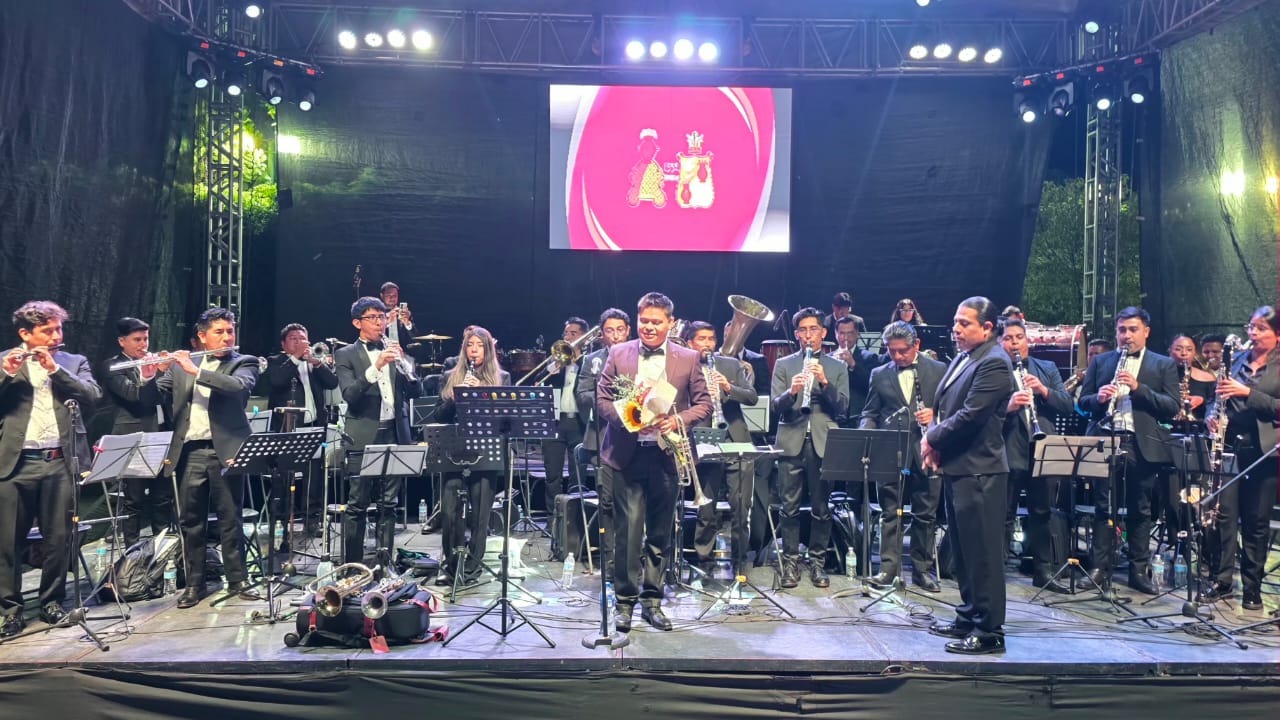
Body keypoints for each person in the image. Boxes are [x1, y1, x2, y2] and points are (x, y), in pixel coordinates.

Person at [597, 292, 712, 632]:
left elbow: (704, 404)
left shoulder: (688, 358)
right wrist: (628, 417)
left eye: (656, 322)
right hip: (626, 455)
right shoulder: (618, 353)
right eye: (644, 320)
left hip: (666, 455)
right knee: (628, 533)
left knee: (660, 534)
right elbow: (602, 400)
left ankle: (652, 601)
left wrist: (678, 420)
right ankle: (624, 603)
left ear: (670, 323)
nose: (648, 327)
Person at [0, 301, 101, 635]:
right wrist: (5, 373)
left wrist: (56, 370)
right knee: (8, 542)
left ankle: (52, 603)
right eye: (48, 330)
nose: (56, 336)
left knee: (58, 538)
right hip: (15, 463)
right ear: (25, 333)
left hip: (60, 461)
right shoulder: (5, 361)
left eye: (59, 329)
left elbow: (92, 395)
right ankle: (10, 611)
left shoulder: (73, 361)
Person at [921, 297, 1011, 655]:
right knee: (963, 551)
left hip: (980, 471)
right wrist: (936, 442)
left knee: (983, 554)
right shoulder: (965, 356)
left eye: (965, 323)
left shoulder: (994, 362)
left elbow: (971, 415)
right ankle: (969, 614)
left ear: (986, 328)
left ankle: (989, 630)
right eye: (956, 322)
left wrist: (931, 438)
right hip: (958, 467)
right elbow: (945, 406)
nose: (956, 329)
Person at [158, 308, 259, 609]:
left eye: (230, 331)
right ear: (202, 337)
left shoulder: (244, 362)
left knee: (230, 518)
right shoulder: (182, 366)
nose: (227, 337)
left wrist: (196, 371)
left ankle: (238, 579)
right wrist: (152, 374)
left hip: (225, 451)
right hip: (189, 451)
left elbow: (238, 387)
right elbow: (152, 397)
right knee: (191, 521)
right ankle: (195, 583)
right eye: (219, 332)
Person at [1078, 307, 1179, 595]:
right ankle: (1099, 568)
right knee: (1103, 506)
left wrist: (1138, 388)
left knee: (1141, 508)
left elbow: (1172, 406)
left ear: (1146, 331)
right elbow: (1083, 401)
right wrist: (1098, 398)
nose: (1126, 335)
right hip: (1106, 437)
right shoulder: (1102, 361)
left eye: (1133, 329)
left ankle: (1138, 571)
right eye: (1122, 330)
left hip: (1141, 443)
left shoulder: (1163, 364)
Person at [858, 321, 946, 592]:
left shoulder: (939, 370)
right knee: (889, 513)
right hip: (890, 450)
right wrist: (867, 438)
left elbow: (954, 409)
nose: (896, 356)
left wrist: (936, 415)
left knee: (925, 514)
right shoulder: (879, 373)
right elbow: (870, 412)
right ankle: (888, 570)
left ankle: (922, 570)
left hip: (928, 450)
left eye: (902, 351)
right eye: (891, 351)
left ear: (916, 345)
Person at [334, 297, 422, 567]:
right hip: (362, 435)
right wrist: (377, 366)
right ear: (357, 323)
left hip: (394, 432)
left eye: (382, 317)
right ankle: (353, 565)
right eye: (372, 318)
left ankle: (385, 563)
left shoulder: (393, 350)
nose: (379, 323)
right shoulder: (345, 354)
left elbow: (416, 391)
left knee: (389, 503)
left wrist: (405, 366)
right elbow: (350, 395)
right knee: (357, 504)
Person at [1201, 307, 1279, 610]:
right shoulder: (1235, 361)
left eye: (1261, 328)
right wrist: (1211, 416)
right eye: (1251, 327)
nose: (1253, 333)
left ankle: (1252, 587)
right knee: (1224, 517)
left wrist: (1247, 392)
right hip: (1230, 447)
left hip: (1264, 451)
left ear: (1277, 334)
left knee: (1256, 521)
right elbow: (1216, 397)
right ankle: (1222, 581)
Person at [770, 307, 850, 589]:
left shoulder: (837, 366)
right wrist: (791, 391)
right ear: (796, 334)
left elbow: (843, 408)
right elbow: (775, 407)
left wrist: (825, 382)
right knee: (788, 508)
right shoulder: (784, 364)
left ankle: (817, 562)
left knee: (821, 508)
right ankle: (790, 562)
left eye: (813, 329)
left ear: (823, 333)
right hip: (790, 440)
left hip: (823, 441)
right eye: (803, 330)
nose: (808, 335)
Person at [999, 317, 1075, 593]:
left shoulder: (1047, 368)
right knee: (1004, 513)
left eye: (1019, 337)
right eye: (1008, 338)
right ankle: (997, 572)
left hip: (1043, 448)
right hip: (1009, 447)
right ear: (1000, 342)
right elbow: (982, 409)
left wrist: (1042, 390)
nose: (1014, 343)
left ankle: (1043, 571)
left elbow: (1067, 405)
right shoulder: (994, 369)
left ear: (1027, 340)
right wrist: (1009, 406)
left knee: (1042, 512)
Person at [434, 326, 509, 586]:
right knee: (449, 512)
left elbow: (504, 419)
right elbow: (438, 416)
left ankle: (472, 567)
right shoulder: (448, 376)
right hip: (454, 450)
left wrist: (484, 395)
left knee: (480, 514)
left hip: (485, 451)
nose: (474, 350)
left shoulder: (501, 377)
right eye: (469, 345)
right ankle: (450, 564)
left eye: (479, 345)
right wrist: (455, 397)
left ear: (487, 350)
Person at [686, 321, 759, 578]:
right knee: (706, 508)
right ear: (690, 343)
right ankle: (704, 562)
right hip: (703, 440)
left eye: (711, 338)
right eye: (701, 339)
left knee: (741, 507)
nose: (707, 344)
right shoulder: (685, 366)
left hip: (735, 440)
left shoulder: (730, 364)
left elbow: (751, 397)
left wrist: (728, 387)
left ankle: (740, 561)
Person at [100, 317, 174, 548]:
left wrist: (166, 370)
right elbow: (135, 398)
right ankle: (131, 553)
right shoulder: (112, 366)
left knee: (162, 498)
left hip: (162, 435)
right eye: (137, 339)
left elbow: (164, 394)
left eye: (146, 339)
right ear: (122, 341)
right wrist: (151, 374)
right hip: (134, 437)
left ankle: (162, 549)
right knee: (134, 499)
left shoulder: (153, 361)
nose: (143, 344)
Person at [264, 323, 339, 539]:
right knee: (285, 476)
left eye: (302, 338)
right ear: (283, 344)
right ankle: (281, 521)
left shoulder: (314, 362)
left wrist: (318, 364)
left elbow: (332, 383)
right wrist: (296, 358)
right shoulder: (275, 361)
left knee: (314, 475)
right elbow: (277, 381)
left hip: (314, 425)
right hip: (287, 427)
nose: (299, 342)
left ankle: (312, 519)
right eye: (294, 339)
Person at [576, 308, 631, 580]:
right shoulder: (593, 360)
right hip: (601, 437)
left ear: (628, 331)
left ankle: (633, 559)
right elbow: (582, 395)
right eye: (610, 330)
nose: (615, 335)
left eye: (620, 329)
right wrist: (607, 395)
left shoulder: (638, 356)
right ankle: (610, 562)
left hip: (634, 437)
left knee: (633, 502)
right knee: (607, 503)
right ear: (602, 334)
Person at [541, 316, 589, 516]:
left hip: (579, 423)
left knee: (578, 475)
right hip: (556, 422)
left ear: (584, 337)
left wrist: (576, 359)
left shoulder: (589, 361)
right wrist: (554, 367)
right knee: (552, 475)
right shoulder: (556, 361)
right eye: (566, 333)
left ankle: (574, 519)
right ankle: (553, 519)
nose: (568, 337)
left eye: (573, 333)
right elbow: (538, 381)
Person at [831, 316, 887, 428]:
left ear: (857, 334)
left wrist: (853, 364)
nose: (845, 338)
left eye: (850, 333)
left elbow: (873, 387)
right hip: (833, 417)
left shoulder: (870, 358)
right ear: (836, 334)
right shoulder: (827, 359)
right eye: (842, 333)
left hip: (858, 417)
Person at [1168, 334, 1216, 420]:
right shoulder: (1159, 374)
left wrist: (1202, 400)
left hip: (1198, 423)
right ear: (1170, 351)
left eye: (1189, 349)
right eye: (1178, 349)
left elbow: (1215, 405)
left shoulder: (1208, 378)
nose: (1184, 353)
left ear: (1194, 353)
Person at [379, 282, 415, 347]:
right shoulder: (377, 314)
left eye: (395, 295)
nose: (392, 298)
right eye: (388, 295)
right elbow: (374, 334)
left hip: (402, 351)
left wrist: (407, 323)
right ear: (382, 295)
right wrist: (388, 323)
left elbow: (415, 337)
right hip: (382, 350)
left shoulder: (404, 313)